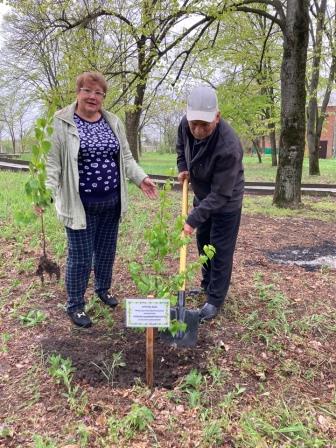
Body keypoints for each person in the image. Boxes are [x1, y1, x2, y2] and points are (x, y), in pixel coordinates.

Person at [46, 72, 157, 328]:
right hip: (80, 206)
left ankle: (103, 289)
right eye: (87, 91)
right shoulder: (62, 123)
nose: (93, 97)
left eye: (99, 93)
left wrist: (141, 179)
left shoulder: (113, 122)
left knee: (106, 252)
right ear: (78, 92)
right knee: (81, 257)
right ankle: (75, 304)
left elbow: (126, 158)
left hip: (111, 203)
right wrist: (46, 192)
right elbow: (53, 163)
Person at [176, 85, 244, 321]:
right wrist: (183, 167)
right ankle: (207, 285)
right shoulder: (186, 125)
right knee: (204, 244)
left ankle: (215, 299)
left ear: (217, 116)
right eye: (194, 123)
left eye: (204, 124)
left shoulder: (229, 146)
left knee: (220, 249)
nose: (197, 129)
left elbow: (221, 194)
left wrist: (192, 219)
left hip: (226, 200)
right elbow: (180, 148)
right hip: (203, 195)